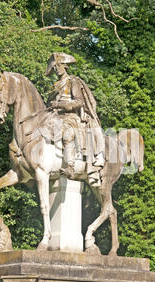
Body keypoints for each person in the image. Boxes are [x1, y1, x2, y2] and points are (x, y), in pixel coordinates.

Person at [45, 52, 105, 185]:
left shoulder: (73, 81)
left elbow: (79, 102)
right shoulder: (55, 85)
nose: (55, 69)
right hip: (54, 116)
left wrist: (59, 105)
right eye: (54, 67)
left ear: (65, 66)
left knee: (67, 134)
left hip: (70, 116)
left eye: (57, 66)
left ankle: (70, 166)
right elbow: (50, 103)